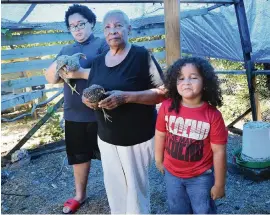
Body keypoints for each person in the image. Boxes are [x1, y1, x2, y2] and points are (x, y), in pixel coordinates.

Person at [82, 10, 166, 214]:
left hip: (136, 136)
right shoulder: (99, 61)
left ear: (129, 29)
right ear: (104, 32)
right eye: (108, 27)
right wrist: (87, 100)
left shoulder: (141, 55)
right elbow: (91, 90)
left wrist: (126, 97)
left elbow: (163, 93)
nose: (113, 31)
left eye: (118, 26)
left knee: (136, 189)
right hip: (106, 135)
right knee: (114, 186)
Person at [44, 4, 108, 214]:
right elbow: (51, 78)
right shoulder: (66, 50)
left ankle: (117, 192)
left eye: (81, 24)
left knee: (110, 157)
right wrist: (59, 63)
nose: (78, 29)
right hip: (75, 113)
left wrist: (79, 73)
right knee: (79, 156)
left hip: (101, 111)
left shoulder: (102, 45)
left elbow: (109, 75)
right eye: (72, 26)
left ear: (91, 23)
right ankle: (80, 195)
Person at [155, 57, 228, 214]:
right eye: (181, 78)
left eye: (193, 77)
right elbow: (160, 134)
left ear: (205, 82)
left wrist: (220, 184)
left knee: (203, 210)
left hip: (201, 177)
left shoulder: (213, 116)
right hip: (172, 174)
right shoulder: (167, 106)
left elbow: (219, 151)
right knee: (177, 209)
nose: (186, 82)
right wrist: (158, 160)